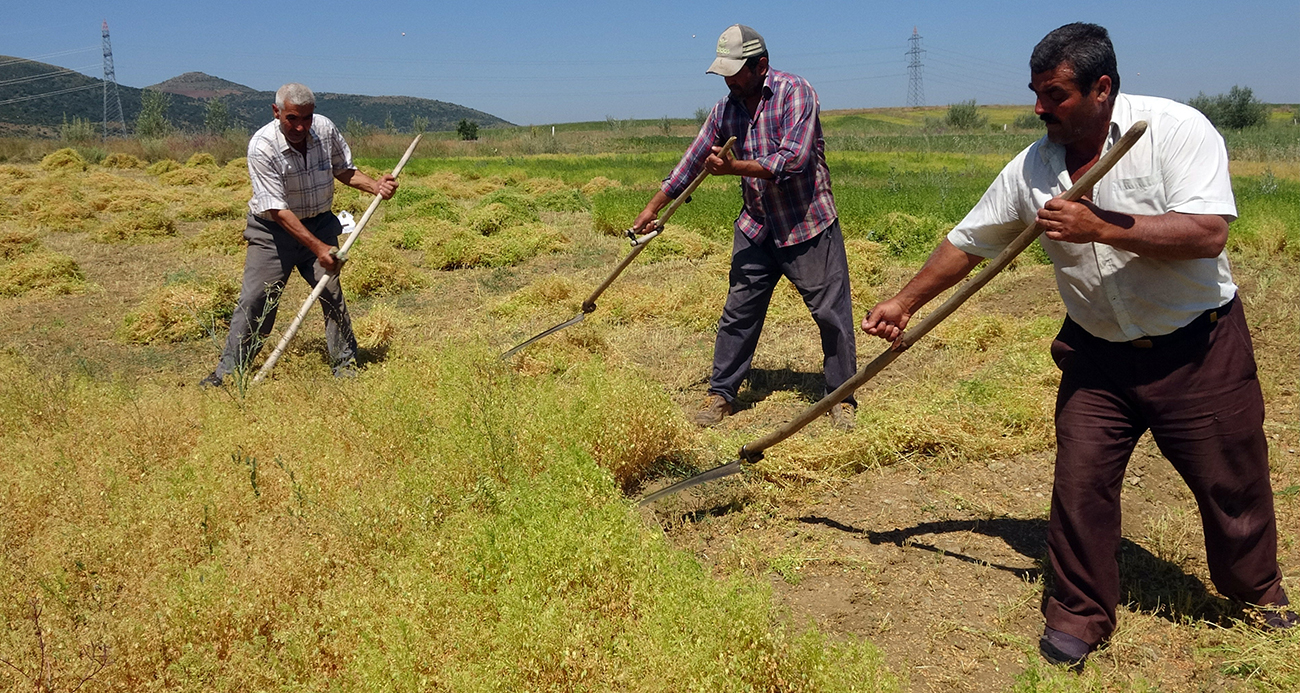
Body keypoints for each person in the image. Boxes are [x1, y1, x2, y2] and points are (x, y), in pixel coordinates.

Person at [861, 23, 1294, 668]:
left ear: (1102, 88)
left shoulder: (1175, 131)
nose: (1039, 108)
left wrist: (1100, 226)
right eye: (1035, 93)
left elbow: (1207, 233)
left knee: (1233, 483)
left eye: (1055, 94)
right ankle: (1079, 614)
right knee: (1080, 487)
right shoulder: (1033, 168)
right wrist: (902, 302)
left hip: (1197, 348)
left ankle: (1254, 589)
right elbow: (968, 241)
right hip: (1097, 355)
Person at [633, 24, 857, 428]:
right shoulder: (726, 109)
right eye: (724, 73)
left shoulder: (796, 93)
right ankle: (722, 394)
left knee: (830, 313)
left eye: (736, 72)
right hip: (757, 225)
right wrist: (654, 206)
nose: (729, 81)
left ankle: (841, 396)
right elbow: (693, 159)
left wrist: (735, 168)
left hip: (806, 223)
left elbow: (794, 160)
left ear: (762, 65)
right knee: (739, 312)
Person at [201, 83, 397, 387]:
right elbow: (277, 210)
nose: (300, 126)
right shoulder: (262, 146)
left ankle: (345, 365)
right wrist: (319, 248)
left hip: (319, 223)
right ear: (276, 112)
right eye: (292, 118)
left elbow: (343, 169)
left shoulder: (325, 130)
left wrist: (375, 186)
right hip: (272, 232)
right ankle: (228, 372)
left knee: (330, 293)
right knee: (256, 298)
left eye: (306, 117)